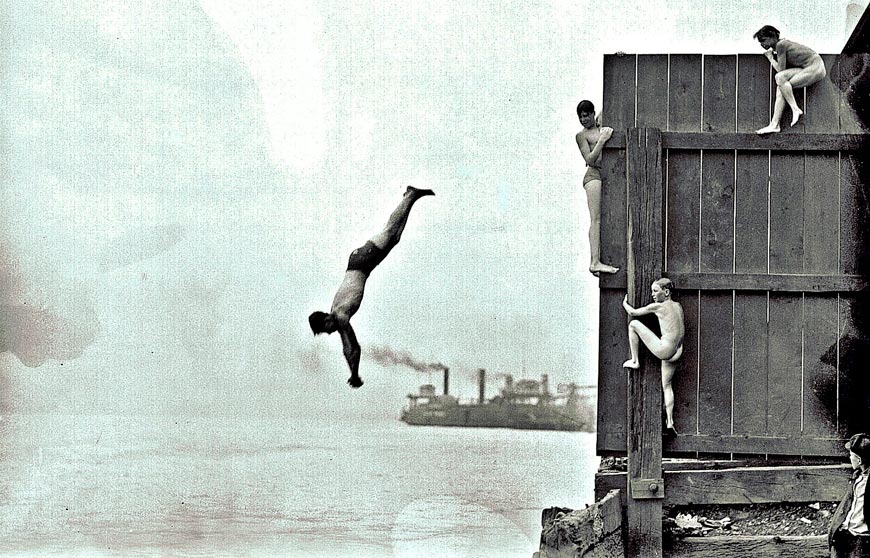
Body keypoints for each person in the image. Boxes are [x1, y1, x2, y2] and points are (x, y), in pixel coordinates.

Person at [308, 186, 434, 388]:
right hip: (360, 263)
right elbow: (347, 348)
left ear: (326, 319)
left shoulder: (339, 316)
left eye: (326, 330)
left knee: (389, 230)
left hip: (362, 262)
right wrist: (353, 373)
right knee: (394, 237)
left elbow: (354, 348)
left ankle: (410, 194)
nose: (329, 333)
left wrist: (355, 374)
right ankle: (411, 198)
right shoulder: (337, 317)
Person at [622, 278, 685, 437]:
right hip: (677, 351)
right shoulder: (678, 306)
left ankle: (635, 360)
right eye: (652, 291)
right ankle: (670, 422)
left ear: (666, 292)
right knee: (667, 385)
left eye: (655, 291)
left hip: (666, 350)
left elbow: (633, 312)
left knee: (633, 325)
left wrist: (624, 302)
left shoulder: (658, 306)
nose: (652, 295)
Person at [753, 25, 827, 135]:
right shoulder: (781, 45)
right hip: (806, 68)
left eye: (763, 40)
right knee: (781, 85)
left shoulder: (781, 44)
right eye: (760, 42)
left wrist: (770, 58)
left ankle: (794, 109)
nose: (762, 45)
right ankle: (775, 125)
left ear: (772, 37)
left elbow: (780, 70)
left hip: (815, 67)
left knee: (780, 79)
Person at [575, 100, 619, 276]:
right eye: (581, 116)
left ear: (593, 114)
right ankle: (594, 262)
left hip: (607, 176)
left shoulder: (600, 123)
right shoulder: (581, 135)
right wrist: (602, 139)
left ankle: (598, 260)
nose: (584, 119)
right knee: (596, 219)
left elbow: (612, 102)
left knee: (606, 218)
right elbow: (590, 159)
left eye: (586, 115)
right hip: (593, 175)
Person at [830, 433, 870, 557]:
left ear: (859, 460)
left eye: (851, 455)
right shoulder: (857, 477)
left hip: (862, 539)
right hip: (847, 532)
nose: (849, 457)